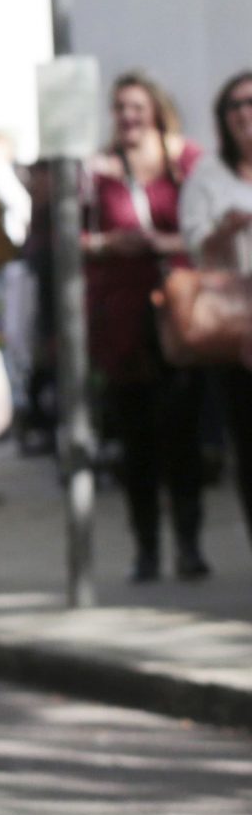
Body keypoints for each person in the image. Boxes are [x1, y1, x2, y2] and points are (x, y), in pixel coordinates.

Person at [84, 72, 206, 582]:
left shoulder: (186, 162)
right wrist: (112, 244)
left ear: (155, 109)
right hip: (123, 320)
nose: (128, 118)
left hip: (177, 312)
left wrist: (161, 243)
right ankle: (147, 547)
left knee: (183, 435)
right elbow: (74, 240)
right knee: (136, 441)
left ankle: (190, 543)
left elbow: (204, 228)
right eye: (120, 109)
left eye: (136, 107)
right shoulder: (98, 171)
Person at [180, 69, 252, 557]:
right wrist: (224, 233)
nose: (245, 114)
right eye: (235, 107)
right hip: (237, 320)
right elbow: (194, 247)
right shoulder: (208, 175)